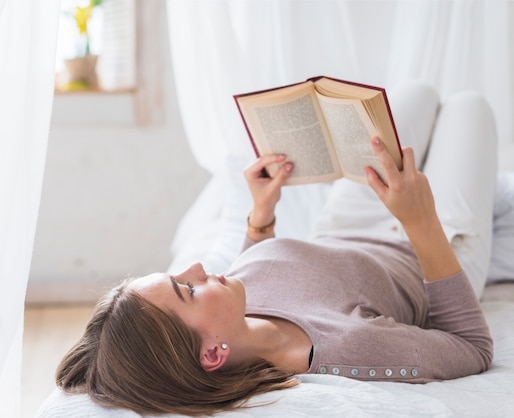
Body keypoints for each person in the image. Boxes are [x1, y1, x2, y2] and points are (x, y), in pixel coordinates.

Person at [55, 82, 496, 416]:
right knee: (469, 107)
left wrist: (261, 216)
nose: (195, 267)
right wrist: (421, 220)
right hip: (430, 247)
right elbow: (471, 347)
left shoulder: (230, 311)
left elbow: (264, 274)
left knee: (414, 94)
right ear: (212, 354)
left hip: (346, 226)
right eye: (186, 290)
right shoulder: (349, 346)